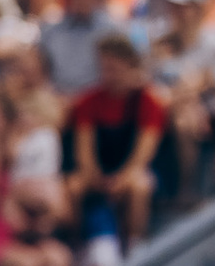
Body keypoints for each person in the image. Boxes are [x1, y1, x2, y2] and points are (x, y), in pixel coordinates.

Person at [67, 32, 168, 250]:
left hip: (130, 169)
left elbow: (143, 153)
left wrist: (122, 180)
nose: (107, 74)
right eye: (103, 67)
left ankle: (135, 246)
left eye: (113, 68)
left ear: (129, 67)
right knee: (74, 186)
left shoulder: (147, 101)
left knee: (140, 185)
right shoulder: (89, 101)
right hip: (100, 170)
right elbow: (84, 151)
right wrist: (95, 177)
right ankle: (78, 243)